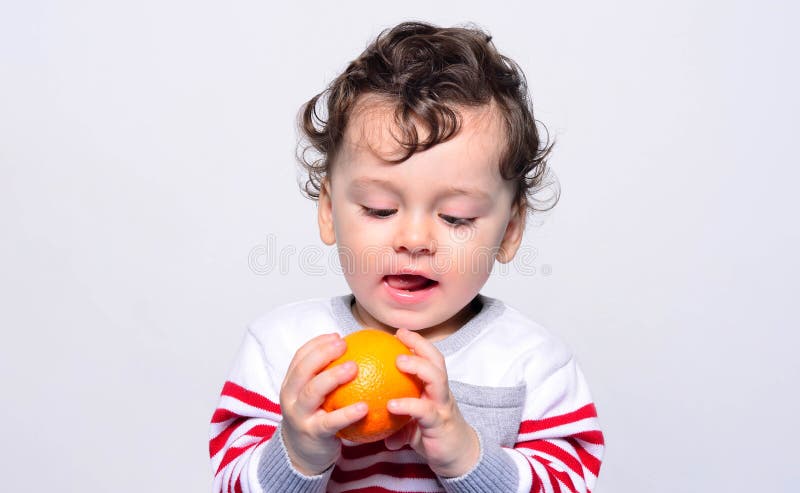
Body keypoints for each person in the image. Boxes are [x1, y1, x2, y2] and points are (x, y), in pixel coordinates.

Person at [209, 21, 604, 493]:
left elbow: (569, 482)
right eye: (380, 209)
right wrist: (299, 452)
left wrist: (466, 456)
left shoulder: (533, 365)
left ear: (510, 231)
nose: (414, 239)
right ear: (331, 212)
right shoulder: (281, 350)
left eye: (456, 217)